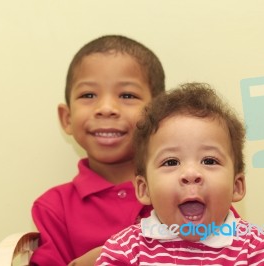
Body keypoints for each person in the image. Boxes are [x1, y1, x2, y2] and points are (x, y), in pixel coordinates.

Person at [96, 83, 264, 265]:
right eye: (171, 162)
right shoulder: (124, 252)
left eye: (209, 161)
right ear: (144, 189)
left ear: (236, 186)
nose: (191, 173)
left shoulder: (258, 251)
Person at [30, 35, 166, 266]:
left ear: (159, 115)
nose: (106, 109)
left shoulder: (193, 185)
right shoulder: (54, 207)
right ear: (67, 118)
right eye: (88, 95)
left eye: (127, 95)